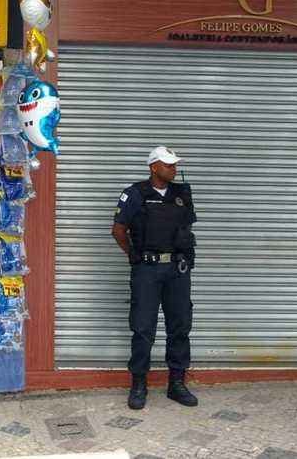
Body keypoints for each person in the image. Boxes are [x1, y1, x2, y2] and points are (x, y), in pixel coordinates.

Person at [111, 146, 198, 410]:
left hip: (177, 271)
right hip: (147, 270)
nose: (173, 169)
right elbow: (118, 231)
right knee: (143, 328)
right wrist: (135, 256)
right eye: (168, 165)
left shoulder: (181, 194)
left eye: (174, 165)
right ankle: (139, 384)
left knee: (180, 326)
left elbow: (186, 231)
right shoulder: (135, 194)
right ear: (154, 167)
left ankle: (177, 383)